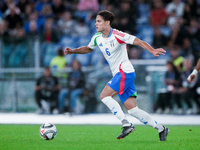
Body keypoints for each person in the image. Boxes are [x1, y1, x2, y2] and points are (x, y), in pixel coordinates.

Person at [64, 10, 169, 141]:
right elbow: (89, 48)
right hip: (121, 75)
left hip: (125, 72)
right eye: (96, 21)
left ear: (107, 23)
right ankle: (162, 129)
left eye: (98, 21)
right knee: (133, 110)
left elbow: (138, 41)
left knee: (104, 95)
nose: (95, 24)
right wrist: (73, 51)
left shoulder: (118, 35)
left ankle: (126, 124)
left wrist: (152, 50)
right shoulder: (97, 37)